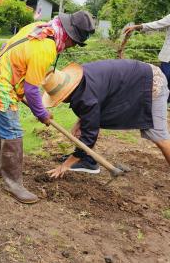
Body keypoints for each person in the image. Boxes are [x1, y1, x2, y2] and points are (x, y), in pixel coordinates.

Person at [0, 10, 95, 203]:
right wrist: (42, 114)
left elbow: (6, 46)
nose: (71, 46)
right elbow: (31, 89)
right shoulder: (46, 48)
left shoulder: (38, 28)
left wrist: (35, 106)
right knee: (13, 133)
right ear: (70, 36)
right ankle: (14, 184)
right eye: (74, 42)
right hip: (0, 90)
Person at [42, 59, 170, 178]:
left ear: (66, 93)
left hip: (150, 83)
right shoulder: (81, 79)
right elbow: (98, 97)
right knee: (85, 127)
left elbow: (89, 136)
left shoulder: (87, 98)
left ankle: (83, 158)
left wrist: (65, 165)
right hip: (134, 80)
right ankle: (87, 160)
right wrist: (81, 121)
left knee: (158, 136)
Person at [124, 14, 170, 104]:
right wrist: (138, 27)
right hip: (168, 58)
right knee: (164, 82)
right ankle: (162, 105)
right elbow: (158, 24)